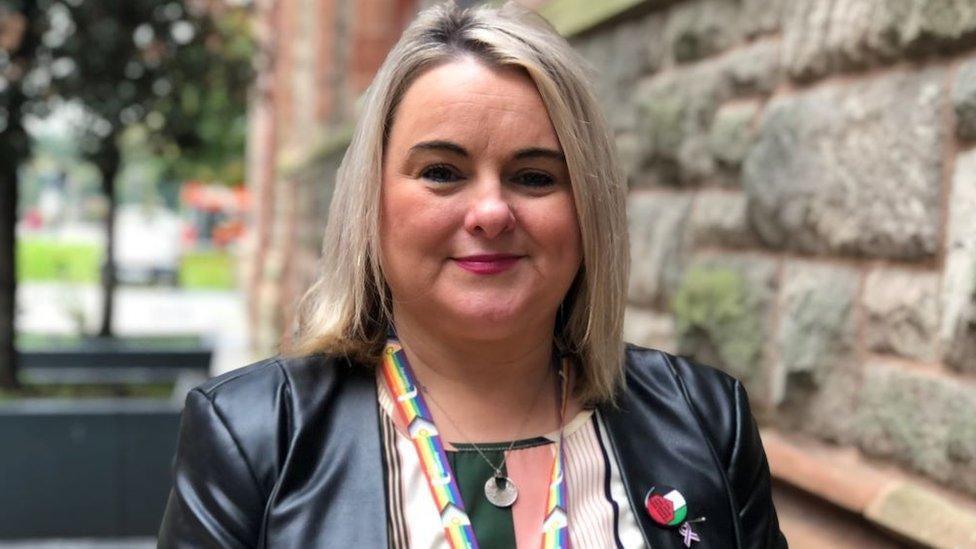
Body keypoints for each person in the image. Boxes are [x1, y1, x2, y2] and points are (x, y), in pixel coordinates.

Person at [157, 2, 787, 548]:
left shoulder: (705, 421)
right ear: (371, 202)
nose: (490, 212)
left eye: (535, 177)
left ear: (588, 211)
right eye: (442, 172)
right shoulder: (253, 437)